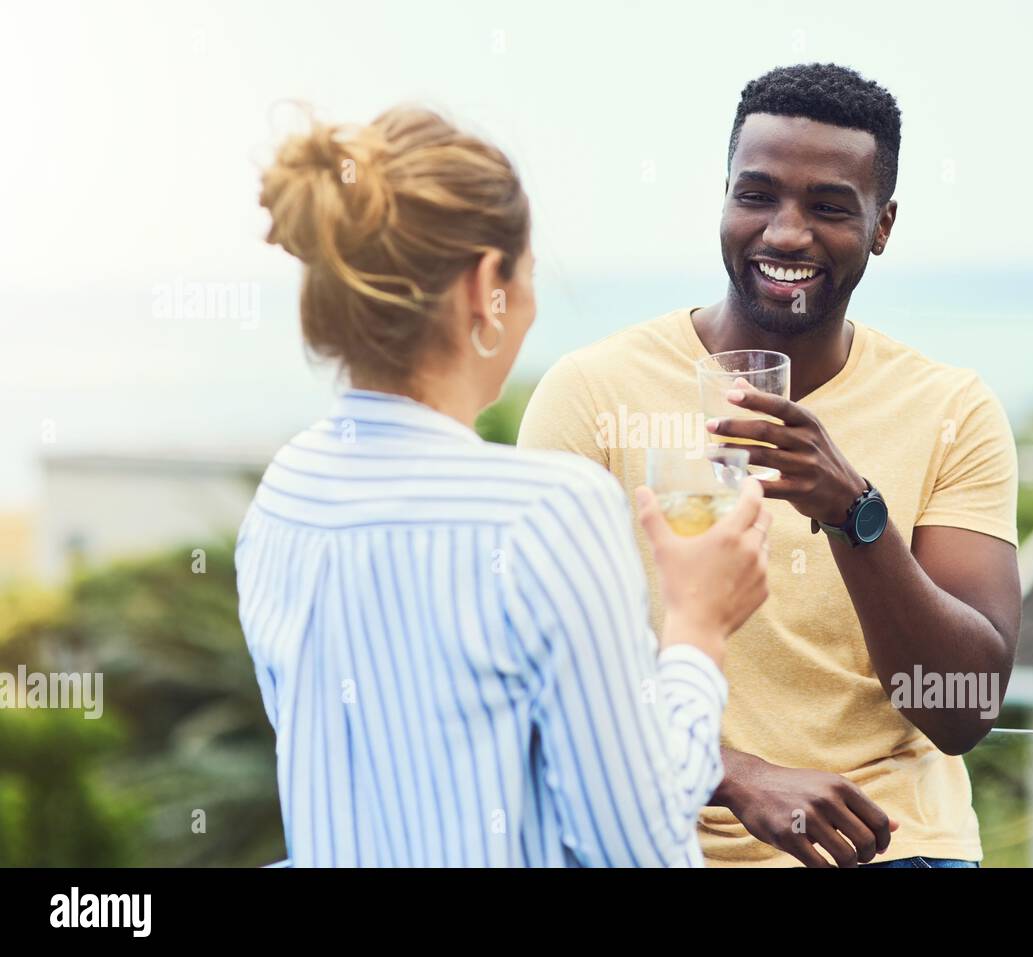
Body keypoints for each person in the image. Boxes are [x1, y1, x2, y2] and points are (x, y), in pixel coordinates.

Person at [236, 105, 771, 867]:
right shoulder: (546, 512)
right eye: (525, 272)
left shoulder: (284, 494)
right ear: (486, 284)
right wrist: (698, 625)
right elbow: (639, 839)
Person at [517, 63, 1021, 868]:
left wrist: (856, 513)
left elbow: (963, 711)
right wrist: (735, 774)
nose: (785, 233)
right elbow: (533, 664)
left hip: (885, 847)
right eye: (756, 195)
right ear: (723, 198)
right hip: (648, 834)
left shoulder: (952, 408)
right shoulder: (591, 392)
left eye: (828, 206)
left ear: (883, 225)